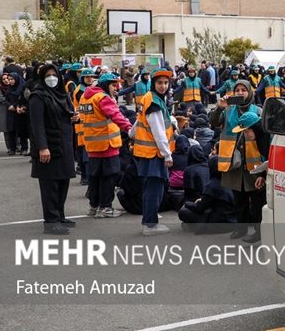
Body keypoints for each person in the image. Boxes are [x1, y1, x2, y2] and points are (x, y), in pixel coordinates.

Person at [210, 83, 267, 243]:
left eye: (244, 90)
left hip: (254, 163)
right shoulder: (227, 110)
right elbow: (213, 122)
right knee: (238, 199)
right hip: (234, 162)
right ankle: (241, 228)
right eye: (237, 90)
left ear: (250, 92)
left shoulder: (258, 111)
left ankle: (258, 231)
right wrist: (220, 107)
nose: (240, 93)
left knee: (257, 199)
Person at [29, 63, 78, 234]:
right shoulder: (38, 96)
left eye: (54, 75)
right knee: (50, 186)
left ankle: (59, 216)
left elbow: (65, 114)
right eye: (48, 75)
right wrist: (42, 147)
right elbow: (37, 125)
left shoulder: (63, 95)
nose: (52, 78)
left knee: (63, 182)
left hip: (64, 144)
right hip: (49, 146)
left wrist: (74, 118)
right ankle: (51, 222)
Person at [130, 68, 177, 235]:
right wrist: (167, 154)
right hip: (154, 153)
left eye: (165, 83)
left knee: (150, 188)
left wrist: (131, 133)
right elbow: (158, 132)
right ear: (153, 83)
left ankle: (148, 221)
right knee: (154, 190)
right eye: (159, 83)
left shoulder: (150, 97)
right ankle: (150, 224)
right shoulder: (154, 102)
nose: (163, 86)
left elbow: (139, 121)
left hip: (148, 152)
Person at [80, 72, 131, 218]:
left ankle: (93, 206)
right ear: (105, 85)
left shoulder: (85, 97)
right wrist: (130, 128)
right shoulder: (103, 98)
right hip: (107, 144)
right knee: (109, 176)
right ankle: (105, 207)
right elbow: (116, 116)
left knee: (95, 176)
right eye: (113, 85)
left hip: (92, 144)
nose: (116, 88)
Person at [179, 155, 237, 234]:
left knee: (183, 212)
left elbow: (200, 208)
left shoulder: (212, 184)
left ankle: (194, 225)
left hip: (217, 222)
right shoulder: (231, 181)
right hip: (233, 220)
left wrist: (187, 204)